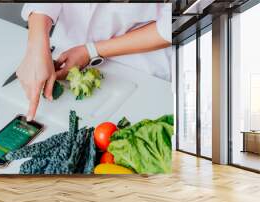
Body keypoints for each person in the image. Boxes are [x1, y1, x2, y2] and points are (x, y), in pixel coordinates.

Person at [16, 3, 172, 121]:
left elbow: (172, 24)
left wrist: (90, 51)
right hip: (66, 47)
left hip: (138, 64)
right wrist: (36, 47)